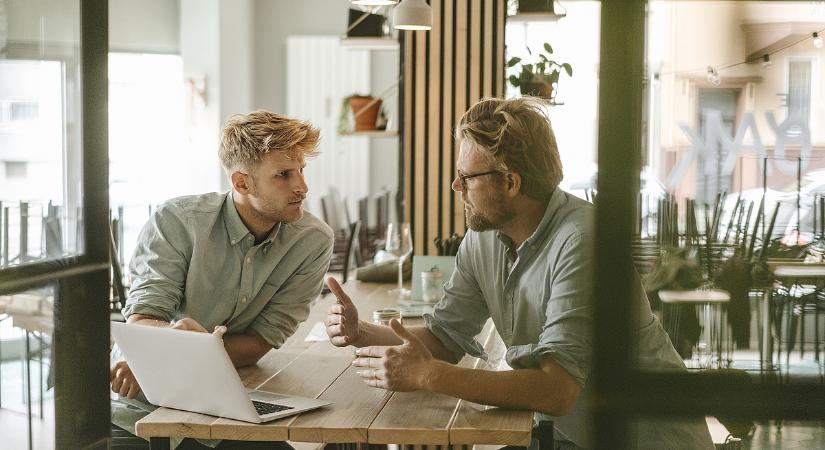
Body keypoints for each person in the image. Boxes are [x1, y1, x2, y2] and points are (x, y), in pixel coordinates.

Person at [324, 97, 714, 449]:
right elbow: (445, 337)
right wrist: (361, 333)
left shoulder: (583, 240)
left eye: (467, 177)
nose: (455, 185)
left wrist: (429, 376)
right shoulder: (484, 238)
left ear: (510, 182)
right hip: (569, 432)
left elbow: (555, 390)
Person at [110, 110, 334, 449]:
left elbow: (260, 341)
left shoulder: (312, 241)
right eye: (284, 175)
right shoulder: (177, 221)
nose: (302, 186)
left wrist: (188, 351)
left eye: (301, 170)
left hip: (225, 405)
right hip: (137, 400)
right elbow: (143, 318)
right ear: (241, 182)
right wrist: (177, 348)